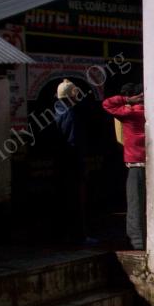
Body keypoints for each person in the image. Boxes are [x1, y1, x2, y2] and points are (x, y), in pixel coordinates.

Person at [102, 84, 146, 251]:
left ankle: (137, 243)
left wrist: (127, 100)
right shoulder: (149, 113)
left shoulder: (129, 113)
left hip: (136, 164)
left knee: (135, 204)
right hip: (150, 164)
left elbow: (107, 104)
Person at [53, 79, 94, 244]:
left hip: (60, 163)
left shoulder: (55, 111)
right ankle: (79, 236)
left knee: (63, 200)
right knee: (76, 201)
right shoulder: (71, 113)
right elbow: (74, 141)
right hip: (72, 163)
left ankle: (63, 235)